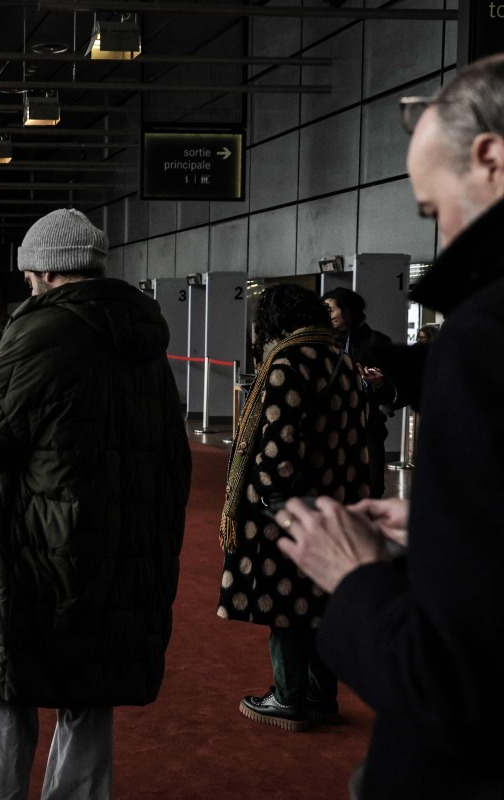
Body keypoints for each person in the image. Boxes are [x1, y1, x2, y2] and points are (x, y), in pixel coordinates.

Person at [274, 55, 504, 799]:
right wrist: (443, 528)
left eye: (435, 212)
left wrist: (355, 578)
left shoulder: (485, 340)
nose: (440, 242)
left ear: (491, 159)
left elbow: (450, 686)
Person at [0, 208, 191, 799]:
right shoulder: (143, 340)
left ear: (47, 273)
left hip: (39, 546)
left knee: (5, 690)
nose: (28, 287)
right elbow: (172, 454)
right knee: (89, 694)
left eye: (30, 277)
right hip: (123, 550)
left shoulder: (45, 329)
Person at [217, 284, 371, 733]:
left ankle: (288, 697)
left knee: (284, 603)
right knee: (321, 601)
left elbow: (279, 441)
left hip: (290, 507)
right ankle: (322, 696)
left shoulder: (287, 361)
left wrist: (268, 497)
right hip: (334, 503)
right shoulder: (342, 360)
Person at [320, 287, 395, 498]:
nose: (327, 315)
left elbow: (390, 394)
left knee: (373, 488)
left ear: (348, 310)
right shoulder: (322, 345)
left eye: (331, 309)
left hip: (367, 426)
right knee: (331, 490)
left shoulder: (379, 343)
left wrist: (378, 384)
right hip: (329, 427)